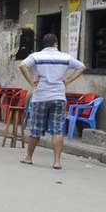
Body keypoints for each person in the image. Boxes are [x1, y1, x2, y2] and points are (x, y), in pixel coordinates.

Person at [18, 33, 86, 169]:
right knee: (57, 130)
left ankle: (28, 157)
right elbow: (82, 66)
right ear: (56, 44)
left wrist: (31, 81)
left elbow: (22, 65)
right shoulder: (65, 57)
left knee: (35, 129)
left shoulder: (36, 56)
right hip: (59, 97)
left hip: (41, 96)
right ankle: (57, 162)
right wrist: (68, 80)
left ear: (44, 44)